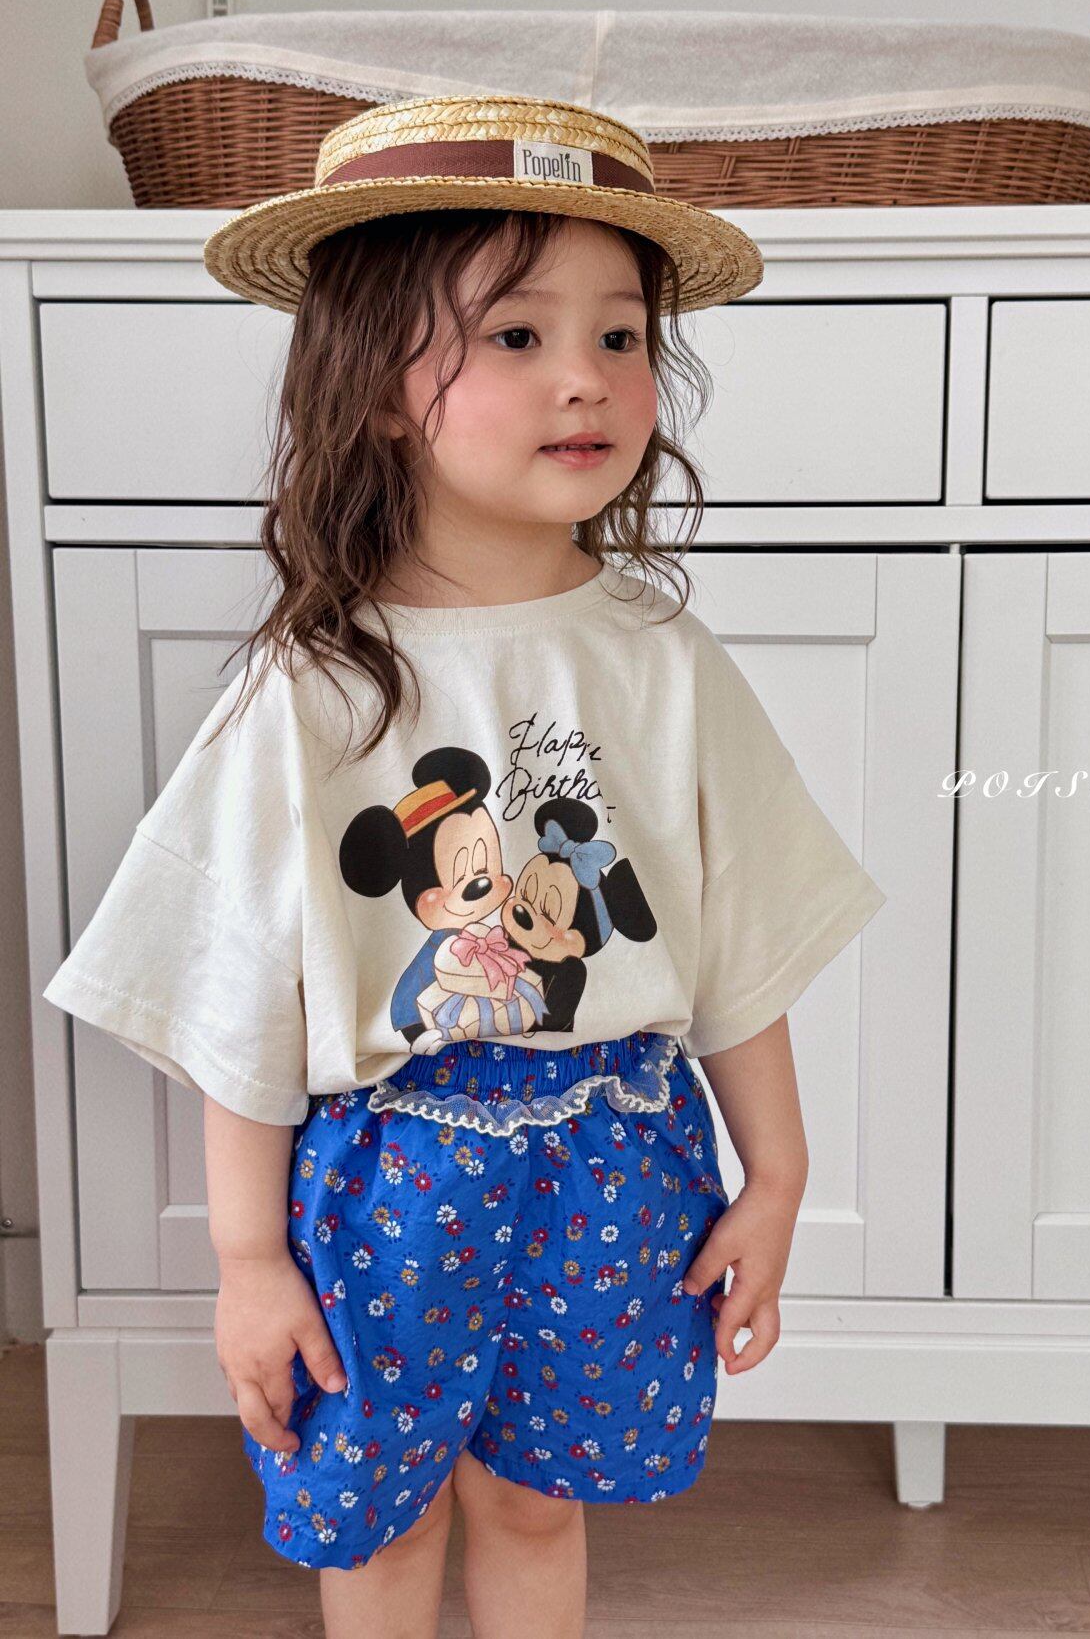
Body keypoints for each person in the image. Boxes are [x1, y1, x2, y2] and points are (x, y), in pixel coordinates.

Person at [43, 93, 887, 1637]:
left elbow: (739, 936)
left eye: (621, 334)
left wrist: (779, 1174)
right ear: (377, 384)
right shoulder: (313, 689)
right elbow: (242, 991)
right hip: (390, 1184)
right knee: (378, 1515)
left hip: (619, 1167)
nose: (586, 375)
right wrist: (248, 1258)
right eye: (515, 333)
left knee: (537, 1496)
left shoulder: (660, 658)